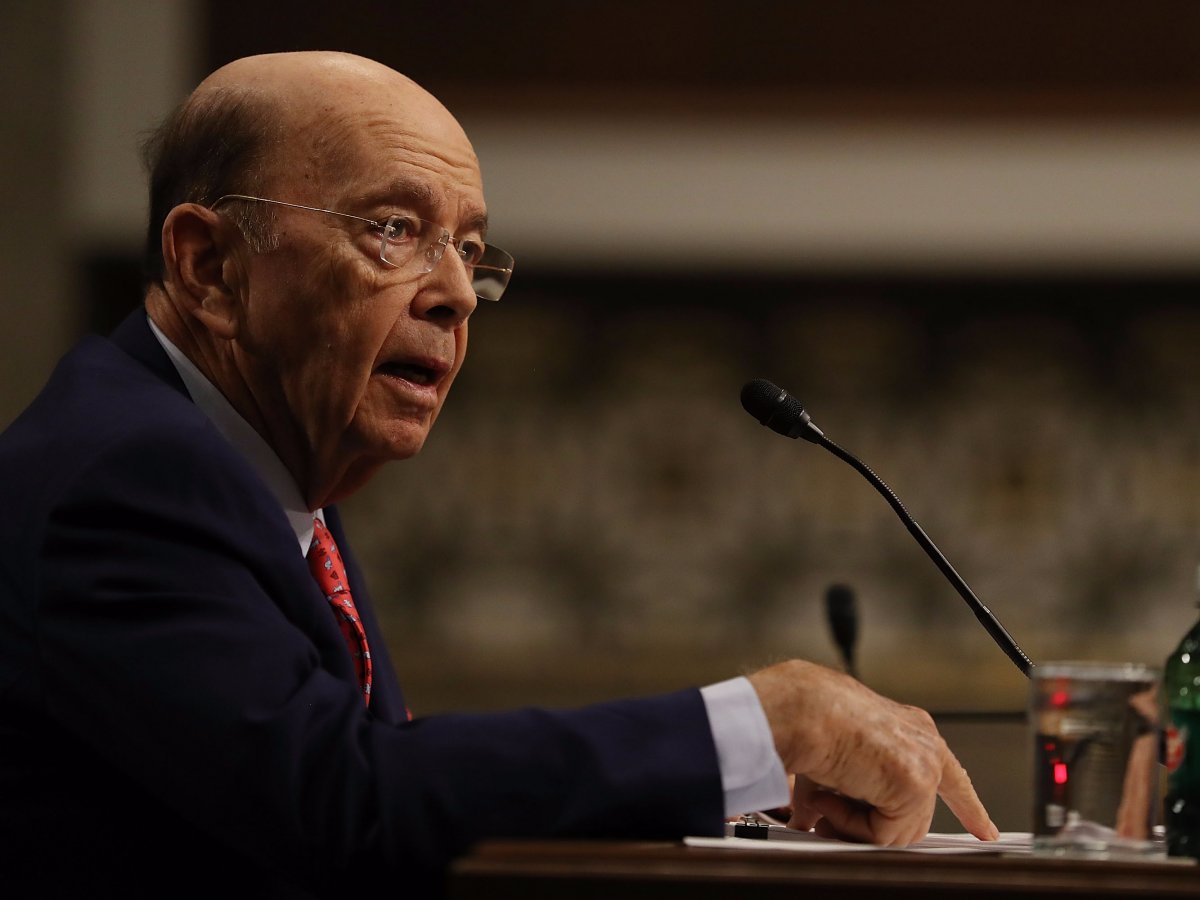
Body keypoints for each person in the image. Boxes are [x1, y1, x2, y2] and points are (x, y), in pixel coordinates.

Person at [0, 51, 996, 897]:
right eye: (392, 229)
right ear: (209, 266)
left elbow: (354, 779)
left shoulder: (262, 457)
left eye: (469, 250)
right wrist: (754, 730)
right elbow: (339, 801)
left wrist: (733, 789)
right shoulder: (128, 475)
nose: (455, 293)